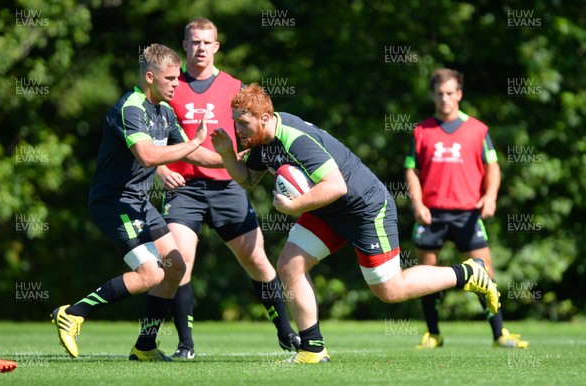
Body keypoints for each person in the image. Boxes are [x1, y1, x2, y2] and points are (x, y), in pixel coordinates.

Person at [210, 83, 500, 364]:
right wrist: (226, 154)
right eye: (235, 122)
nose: (237, 129)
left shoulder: (296, 139)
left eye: (243, 123)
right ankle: (313, 350)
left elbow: (336, 187)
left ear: (264, 118)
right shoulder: (264, 141)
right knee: (290, 264)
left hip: (365, 209)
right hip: (327, 210)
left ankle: (468, 272)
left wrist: (294, 206)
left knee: (390, 290)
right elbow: (249, 179)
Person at [50, 43, 222, 361]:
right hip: (114, 203)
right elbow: (147, 156)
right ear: (149, 76)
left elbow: (192, 152)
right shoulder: (131, 107)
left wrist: (232, 161)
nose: (176, 84)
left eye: (177, 78)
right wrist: (195, 143)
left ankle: (145, 346)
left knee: (175, 266)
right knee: (152, 274)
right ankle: (73, 313)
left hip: (139, 203)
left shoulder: (165, 112)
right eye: (170, 78)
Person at [156, 18, 299, 359]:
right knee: (180, 261)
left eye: (207, 42)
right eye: (194, 42)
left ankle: (286, 334)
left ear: (216, 46)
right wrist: (160, 167)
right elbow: (150, 138)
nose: (201, 47)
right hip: (184, 188)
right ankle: (185, 346)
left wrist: (256, 159)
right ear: (185, 45)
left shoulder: (234, 87)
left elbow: (257, 132)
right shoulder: (171, 87)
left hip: (227, 186)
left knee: (257, 261)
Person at [405, 68, 528, 349]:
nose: (445, 98)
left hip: (468, 214)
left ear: (459, 94)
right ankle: (433, 334)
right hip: (431, 214)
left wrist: (491, 196)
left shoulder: (478, 129)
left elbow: (492, 166)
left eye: (450, 93)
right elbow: (411, 171)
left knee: (485, 272)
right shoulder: (421, 131)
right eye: (439, 94)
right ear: (433, 96)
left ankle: (500, 334)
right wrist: (417, 203)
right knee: (426, 274)